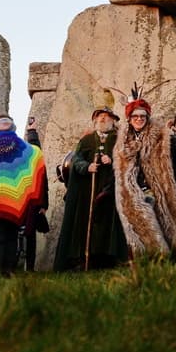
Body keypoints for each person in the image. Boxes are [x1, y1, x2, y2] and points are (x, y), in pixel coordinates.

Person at [112, 97, 176, 260]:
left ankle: (168, 257)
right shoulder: (123, 140)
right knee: (140, 225)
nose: (139, 119)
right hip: (131, 190)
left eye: (142, 117)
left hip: (154, 187)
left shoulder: (160, 135)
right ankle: (154, 258)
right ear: (130, 119)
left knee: (163, 223)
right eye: (135, 117)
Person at [0, 115, 48, 275]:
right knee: (12, 233)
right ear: (13, 129)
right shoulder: (23, 147)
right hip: (15, 199)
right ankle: (8, 270)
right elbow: (37, 159)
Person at [54, 107, 128, 270]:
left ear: (113, 121)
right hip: (87, 190)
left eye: (106, 117)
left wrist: (113, 160)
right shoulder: (86, 140)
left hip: (110, 190)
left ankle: (108, 260)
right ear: (95, 120)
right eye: (100, 117)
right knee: (86, 223)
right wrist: (87, 167)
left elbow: (126, 161)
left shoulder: (118, 140)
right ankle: (84, 260)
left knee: (108, 225)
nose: (103, 119)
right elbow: (76, 160)